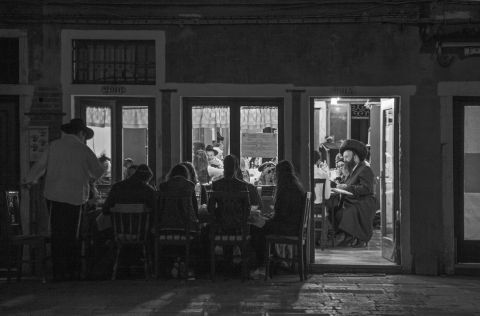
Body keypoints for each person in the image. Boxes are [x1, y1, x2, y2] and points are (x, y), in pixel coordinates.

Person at [24, 118, 106, 281]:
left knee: (57, 234)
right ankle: (72, 271)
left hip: (53, 196)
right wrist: (88, 177)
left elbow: (40, 166)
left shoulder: (53, 146)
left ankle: (58, 271)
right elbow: (98, 171)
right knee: (72, 235)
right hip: (76, 197)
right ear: (81, 133)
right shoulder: (84, 150)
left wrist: (29, 181)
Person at [251, 160, 306, 277]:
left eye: (276, 172)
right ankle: (269, 264)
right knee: (260, 225)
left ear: (280, 174)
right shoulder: (295, 186)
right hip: (293, 226)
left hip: (287, 227)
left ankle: (262, 266)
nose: (274, 175)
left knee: (256, 230)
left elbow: (281, 215)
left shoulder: (285, 189)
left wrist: (266, 219)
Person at [328, 139, 378, 248]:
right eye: (344, 157)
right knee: (333, 209)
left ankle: (348, 237)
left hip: (363, 203)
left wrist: (347, 187)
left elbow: (366, 188)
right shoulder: (353, 170)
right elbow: (348, 183)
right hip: (354, 201)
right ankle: (344, 236)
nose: (344, 160)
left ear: (355, 157)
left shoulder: (365, 169)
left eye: (347, 157)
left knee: (347, 212)